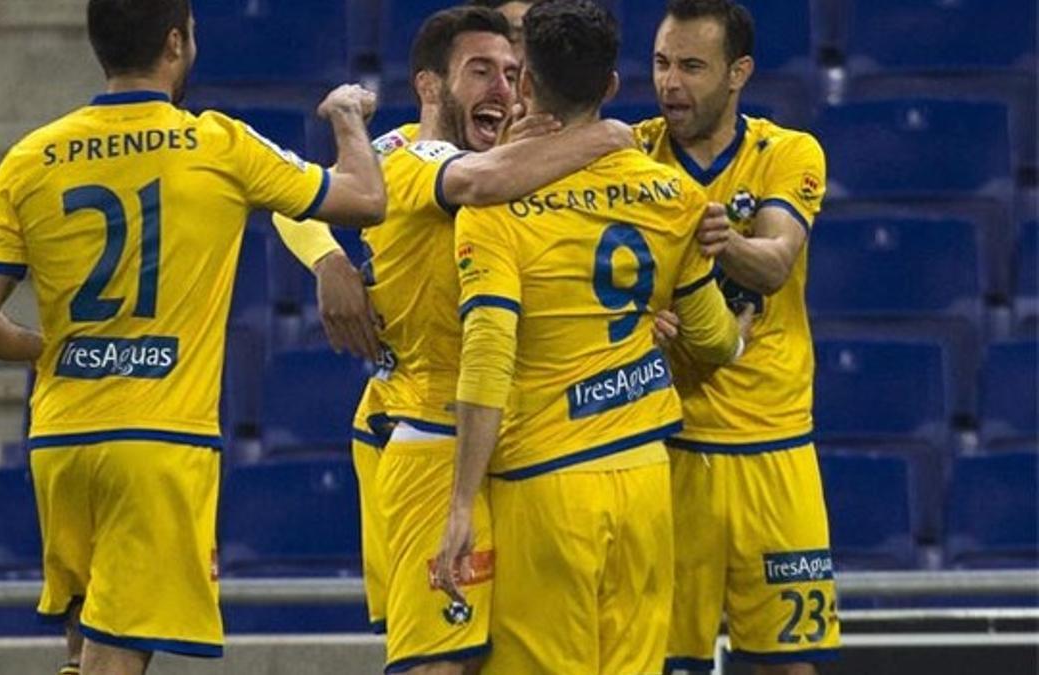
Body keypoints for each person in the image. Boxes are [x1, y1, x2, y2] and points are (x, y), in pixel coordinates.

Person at [0, 0, 386, 673]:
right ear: (176, 42)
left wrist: (52, 350)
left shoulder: (30, 157)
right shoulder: (216, 143)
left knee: (86, 642)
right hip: (156, 441)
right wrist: (348, 118)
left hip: (61, 441)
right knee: (120, 658)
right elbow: (365, 197)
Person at [273, 8, 635, 673]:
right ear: (431, 87)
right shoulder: (405, 157)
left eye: (510, 73)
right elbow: (290, 193)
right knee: (440, 658)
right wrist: (329, 261)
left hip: (503, 436)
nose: (502, 87)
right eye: (481, 72)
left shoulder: (515, 154)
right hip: (429, 431)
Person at [434, 1, 747, 673]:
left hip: (545, 484)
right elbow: (714, 340)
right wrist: (741, 335)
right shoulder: (672, 195)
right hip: (642, 476)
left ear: (523, 84)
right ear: (610, 87)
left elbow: (489, 355)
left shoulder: (493, 208)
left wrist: (460, 501)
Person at [634, 1, 840, 673]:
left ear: (738, 73)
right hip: (667, 447)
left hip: (773, 449)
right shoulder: (630, 156)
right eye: (663, 63)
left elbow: (777, 261)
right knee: (662, 661)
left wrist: (720, 242)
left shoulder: (786, 152)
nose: (671, 83)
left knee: (789, 663)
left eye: (692, 66)